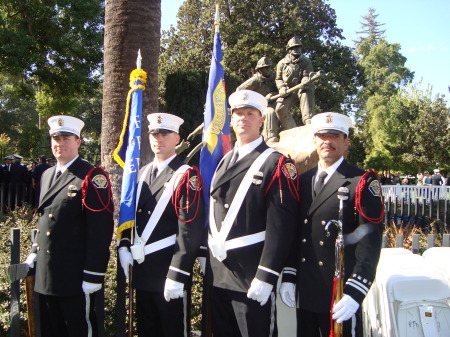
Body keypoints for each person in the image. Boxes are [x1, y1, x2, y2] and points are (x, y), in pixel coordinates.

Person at [280, 112, 384, 337]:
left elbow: (370, 242)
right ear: (315, 141)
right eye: (322, 136)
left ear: (346, 142)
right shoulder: (303, 181)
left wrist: (355, 292)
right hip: (306, 289)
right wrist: (289, 276)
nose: (327, 141)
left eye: (335, 136)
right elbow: (296, 233)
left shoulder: (361, 182)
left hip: (339, 292)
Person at [207, 90, 300, 337]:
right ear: (231, 119)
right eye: (238, 114)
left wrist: (267, 275)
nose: (243, 119)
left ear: (261, 120)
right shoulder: (223, 161)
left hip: (252, 274)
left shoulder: (276, 163)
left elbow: (283, 225)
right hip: (220, 271)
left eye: (250, 114)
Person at [24, 115, 114, 337]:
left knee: (79, 330)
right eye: (55, 138)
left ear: (78, 142)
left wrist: (94, 273)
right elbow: (45, 218)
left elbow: (100, 230)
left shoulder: (91, 176)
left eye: (66, 138)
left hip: (75, 277)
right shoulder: (46, 175)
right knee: (51, 330)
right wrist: (35, 252)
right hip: (47, 273)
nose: (59, 143)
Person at [118, 112, 205, 337]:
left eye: (165, 134)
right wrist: (124, 245)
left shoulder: (186, 175)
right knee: (147, 330)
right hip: (142, 268)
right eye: (154, 133)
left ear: (177, 138)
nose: (158, 138)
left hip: (168, 271)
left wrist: (177, 274)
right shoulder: (142, 173)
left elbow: (189, 231)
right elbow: (131, 214)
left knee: (172, 330)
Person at [275, 36, 316, 128]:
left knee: (305, 94)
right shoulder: (281, 63)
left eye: (298, 47)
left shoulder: (306, 62)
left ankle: (308, 122)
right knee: (280, 109)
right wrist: (281, 87)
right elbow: (278, 79)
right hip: (288, 90)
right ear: (289, 49)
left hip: (303, 88)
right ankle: (291, 129)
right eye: (293, 47)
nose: (296, 49)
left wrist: (305, 80)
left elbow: (307, 74)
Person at [237, 56, 279, 143]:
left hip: (273, 103)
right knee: (269, 112)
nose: (268, 70)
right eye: (265, 68)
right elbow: (240, 91)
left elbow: (279, 89)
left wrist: (272, 95)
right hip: (258, 107)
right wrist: (255, 100)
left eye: (269, 68)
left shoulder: (274, 79)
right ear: (260, 70)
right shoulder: (255, 80)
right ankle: (270, 137)